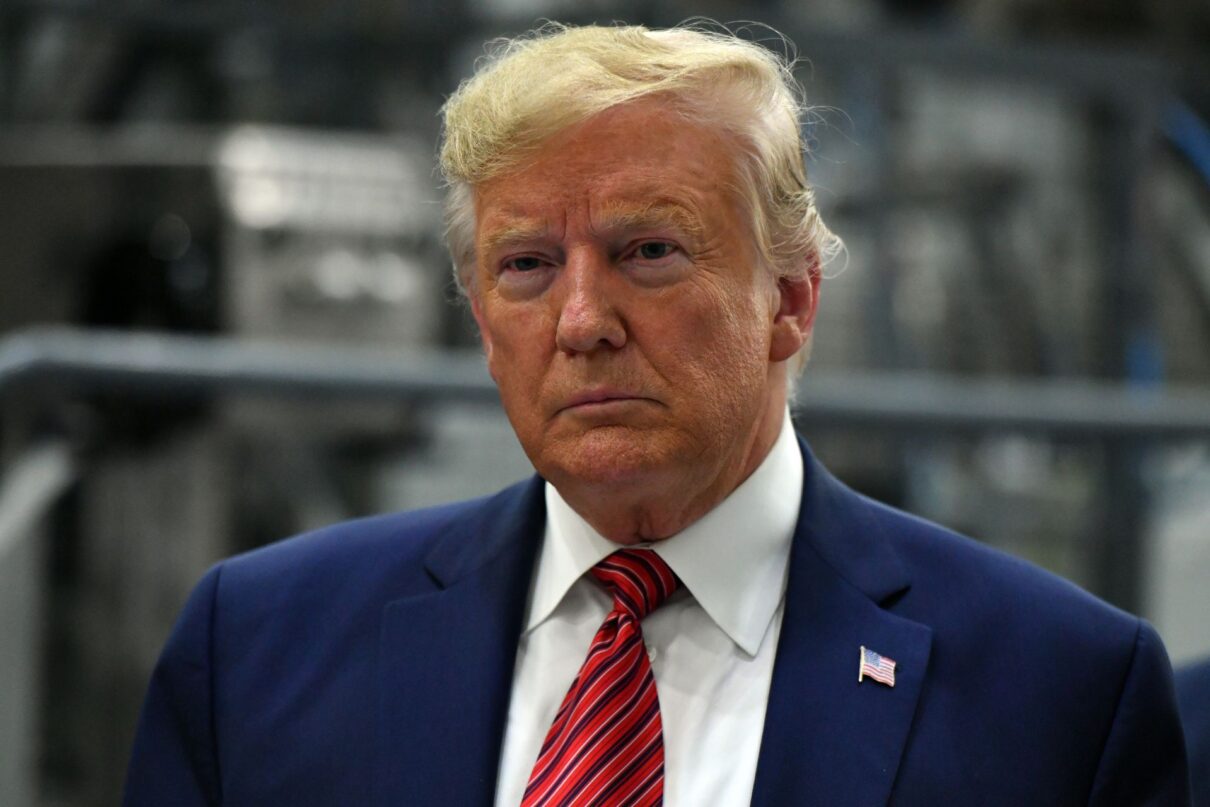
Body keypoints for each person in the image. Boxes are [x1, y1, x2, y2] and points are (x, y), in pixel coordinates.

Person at [124, 22, 1190, 806]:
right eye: (528, 266)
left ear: (791, 299)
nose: (582, 320)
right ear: (483, 328)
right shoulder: (259, 651)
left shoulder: (1058, 697)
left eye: (649, 252)